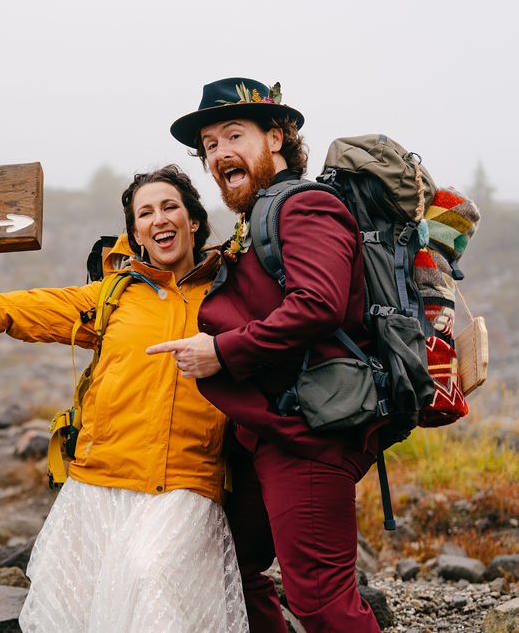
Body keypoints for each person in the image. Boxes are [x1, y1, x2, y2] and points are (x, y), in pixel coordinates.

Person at [0, 166, 247, 632]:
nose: (159, 218)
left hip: (183, 484)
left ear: (193, 221)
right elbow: (15, 308)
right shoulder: (112, 297)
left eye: (170, 207)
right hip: (101, 484)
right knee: (84, 610)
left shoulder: (230, 292)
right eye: (145, 212)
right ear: (135, 232)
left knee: (149, 578)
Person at [148, 77, 382, 633]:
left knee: (322, 600)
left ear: (276, 138)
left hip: (310, 436)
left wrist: (221, 353)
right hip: (268, 430)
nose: (220, 152)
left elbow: (318, 304)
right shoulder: (257, 220)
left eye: (235, 134)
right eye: (209, 145)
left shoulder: (304, 206)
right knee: (231, 563)